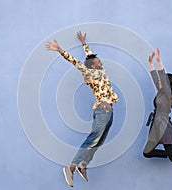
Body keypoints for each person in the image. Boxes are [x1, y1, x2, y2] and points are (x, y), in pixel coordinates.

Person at [45, 31, 119, 187]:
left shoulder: (100, 71)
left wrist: (84, 43)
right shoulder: (89, 73)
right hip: (102, 109)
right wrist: (60, 50)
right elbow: (77, 62)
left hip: (109, 111)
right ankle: (71, 167)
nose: (101, 63)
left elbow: (89, 56)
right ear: (93, 66)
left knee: (98, 142)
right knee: (93, 139)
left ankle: (83, 165)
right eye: (99, 62)